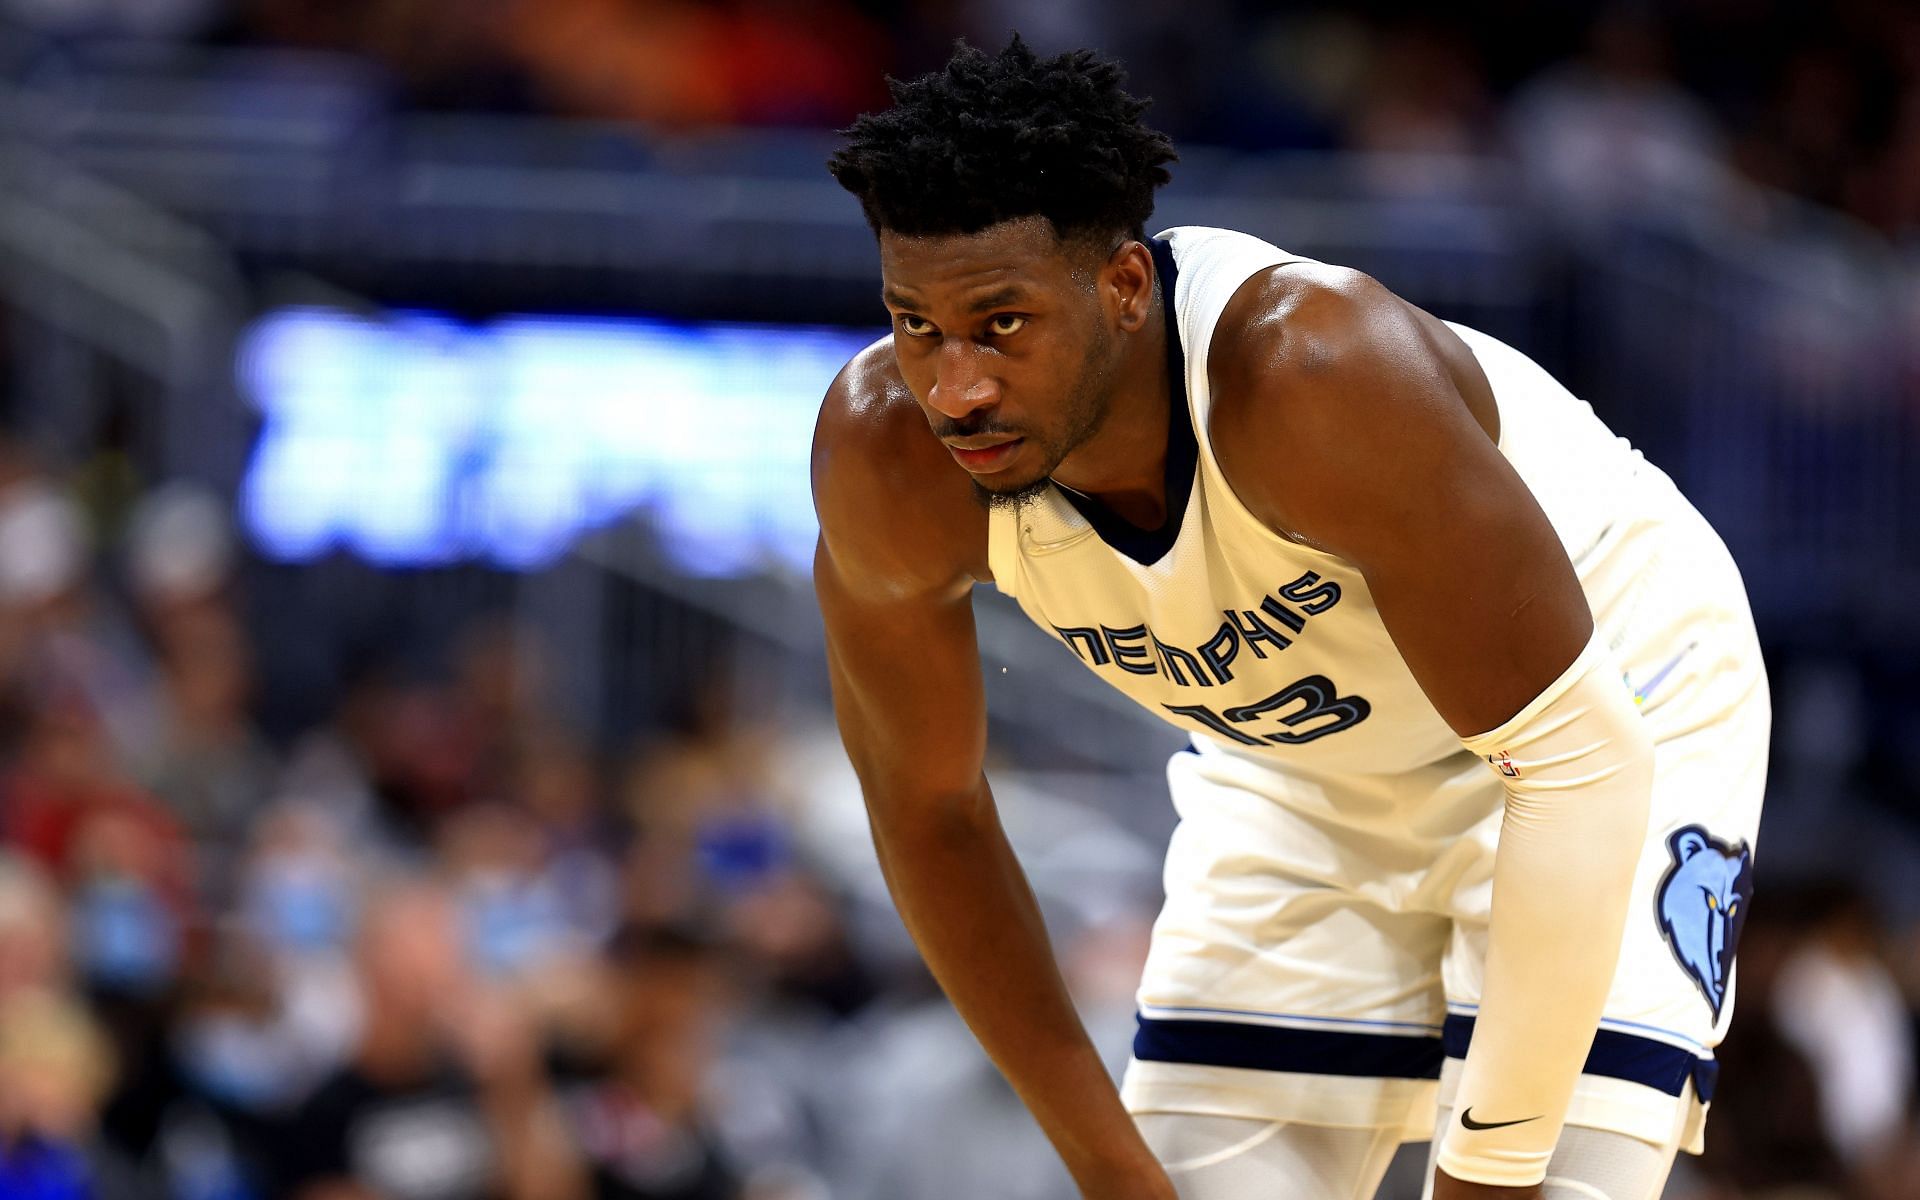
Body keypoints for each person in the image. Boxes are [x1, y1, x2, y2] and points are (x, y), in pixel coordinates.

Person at [810, 36, 1769, 1200]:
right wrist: (1110, 1167)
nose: (955, 388)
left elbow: (1581, 765)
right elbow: (931, 814)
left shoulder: (1307, 377)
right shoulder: (889, 463)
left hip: (1611, 702)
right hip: (1309, 770)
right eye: (917, 326)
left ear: (1123, 287)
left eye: (1002, 325)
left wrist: (1490, 1171)